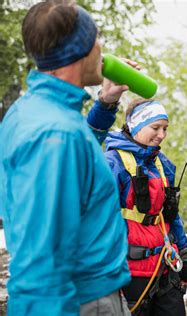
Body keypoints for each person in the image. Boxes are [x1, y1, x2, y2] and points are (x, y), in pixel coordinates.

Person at [0, 1, 132, 315]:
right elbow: (42, 263)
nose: (101, 47)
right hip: (82, 301)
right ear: (80, 48)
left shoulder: (32, 111)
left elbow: (79, 166)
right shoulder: (56, 135)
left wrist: (105, 104)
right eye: (97, 37)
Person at [89, 98, 187, 315]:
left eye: (165, 128)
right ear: (136, 125)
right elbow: (97, 221)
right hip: (130, 273)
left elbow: (170, 214)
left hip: (165, 267)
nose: (162, 135)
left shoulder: (161, 163)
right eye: (155, 128)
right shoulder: (112, 163)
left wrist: (184, 251)